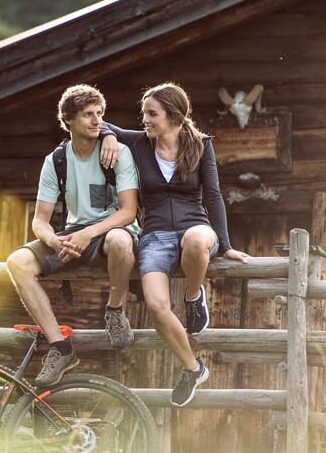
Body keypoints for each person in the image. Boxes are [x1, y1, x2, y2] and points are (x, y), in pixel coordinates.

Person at [99, 82, 251, 406]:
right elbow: (100, 124)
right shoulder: (139, 144)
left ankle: (194, 297)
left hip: (195, 227)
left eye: (152, 114)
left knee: (196, 240)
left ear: (174, 116)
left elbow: (213, 194)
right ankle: (192, 368)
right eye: (144, 113)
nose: (145, 119)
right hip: (154, 236)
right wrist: (110, 136)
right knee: (156, 305)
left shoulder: (201, 145)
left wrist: (225, 246)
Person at [6, 84, 140, 387]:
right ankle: (60, 347)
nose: (97, 121)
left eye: (99, 114)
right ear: (68, 121)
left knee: (120, 240)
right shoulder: (56, 160)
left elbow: (128, 211)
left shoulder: (118, 152)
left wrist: (87, 235)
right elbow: (40, 221)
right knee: (17, 263)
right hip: (73, 233)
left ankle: (115, 310)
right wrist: (54, 241)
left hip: (111, 231)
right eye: (87, 115)